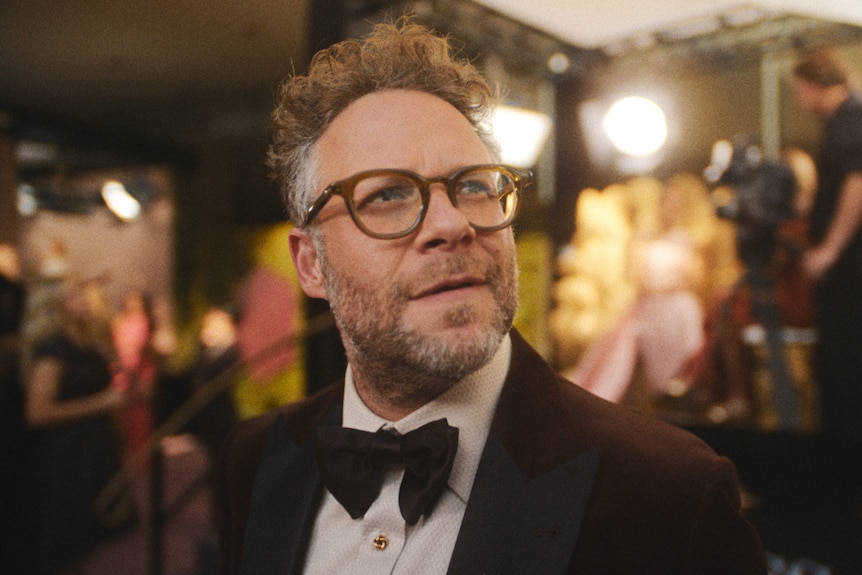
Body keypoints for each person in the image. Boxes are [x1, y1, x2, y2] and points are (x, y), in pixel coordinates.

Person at [217, 21, 766, 574]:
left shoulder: (669, 493)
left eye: (475, 185)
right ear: (310, 263)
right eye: (386, 195)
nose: (453, 224)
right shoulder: (258, 461)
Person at [25, 280, 137, 574]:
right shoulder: (54, 349)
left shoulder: (89, 344)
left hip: (93, 451)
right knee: (65, 544)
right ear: (60, 304)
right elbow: (38, 412)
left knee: (88, 539)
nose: (89, 298)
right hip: (64, 457)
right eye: (78, 294)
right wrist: (102, 402)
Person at [792, 45, 862, 441]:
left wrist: (830, 249)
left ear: (814, 84)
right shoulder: (846, 121)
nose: (800, 101)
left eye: (800, 90)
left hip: (850, 272)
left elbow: (858, 181)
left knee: (845, 367)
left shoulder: (851, 118)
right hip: (846, 270)